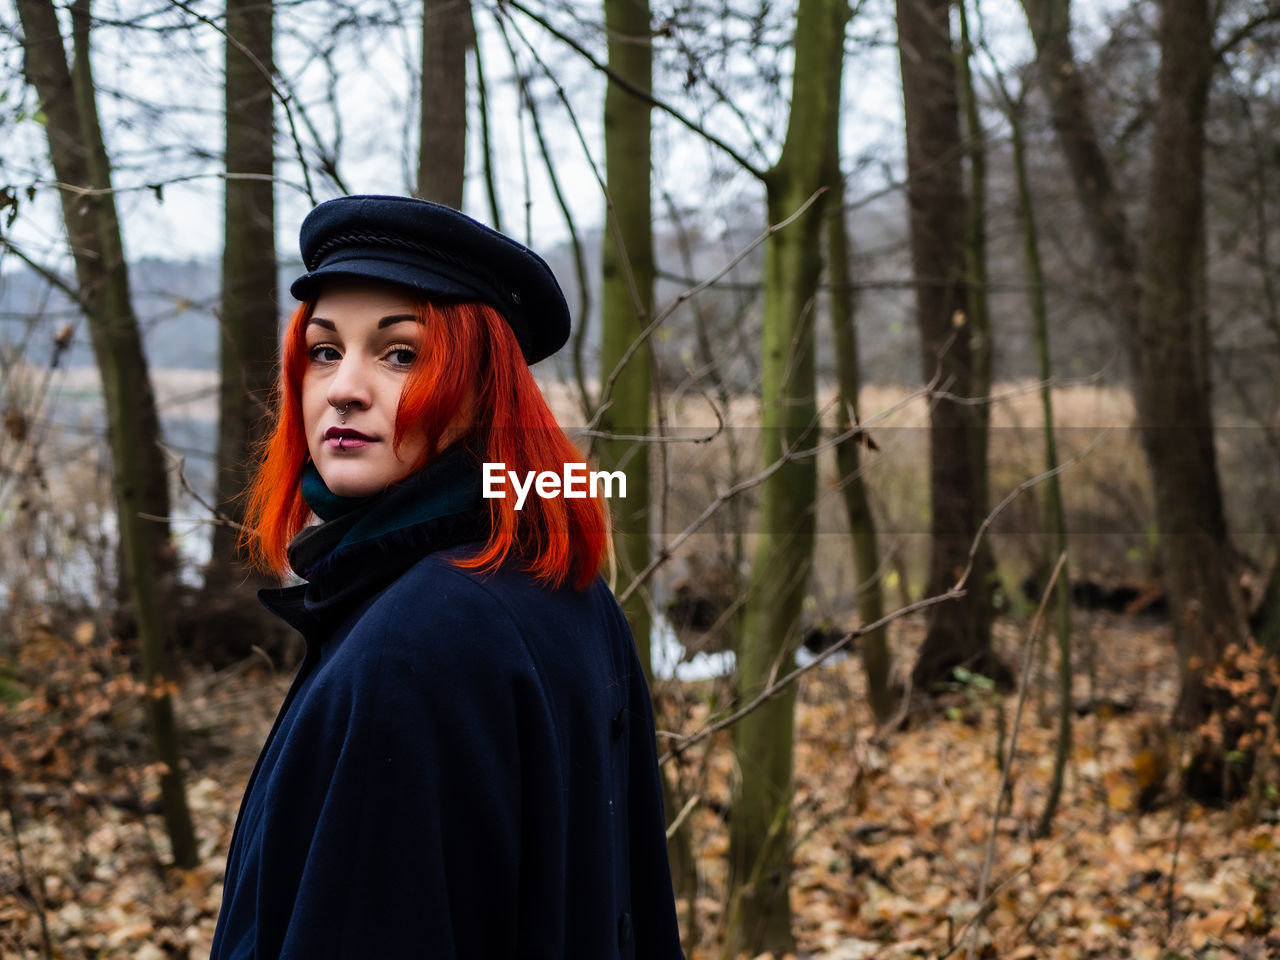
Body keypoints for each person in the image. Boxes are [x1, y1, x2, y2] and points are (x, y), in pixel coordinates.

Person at [209, 195, 684, 959]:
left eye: (401, 354)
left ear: (483, 390)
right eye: (325, 351)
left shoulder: (419, 642)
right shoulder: (566, 589)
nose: (344, 388)